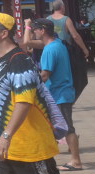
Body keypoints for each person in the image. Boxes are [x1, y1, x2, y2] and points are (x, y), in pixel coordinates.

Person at [0, 13, 61, 173]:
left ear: (4, 33)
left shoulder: (19, 61)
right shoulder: (3, 60)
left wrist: (6, 136)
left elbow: (24, 102)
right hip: (7, 150)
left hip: (30, 151)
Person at [31, 18, 83, 171]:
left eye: (35, 29)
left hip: (59, 94)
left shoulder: (49, 49)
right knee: (57, 127)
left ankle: (76, 161)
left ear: (42, 30)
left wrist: (29, 85)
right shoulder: (58, 44)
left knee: (67, 128)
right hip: (61, 92)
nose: (34, 32)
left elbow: (45, 75)